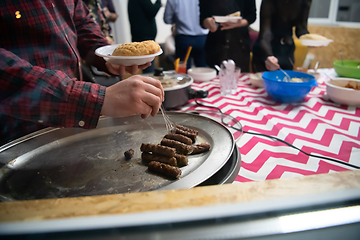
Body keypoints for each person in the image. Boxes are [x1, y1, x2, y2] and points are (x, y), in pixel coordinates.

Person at [0, 0, 164, 146]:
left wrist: (106, 57)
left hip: (73, 125)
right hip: (19, 134)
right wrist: (96, 99)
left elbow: (80, 22)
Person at [252, 0, 312, 72]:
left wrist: (310, 40)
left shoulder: (305, 1)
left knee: (286, 80)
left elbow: (301, 28)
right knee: (265, 81)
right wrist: (269, 55)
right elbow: (265, 33)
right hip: (265, 47)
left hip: (287, 50)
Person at [199, 0, 256, 72]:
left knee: (239, 77)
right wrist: (208, 22)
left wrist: (239, 23)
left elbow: (251, 17)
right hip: (215, 44)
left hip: (240, 44)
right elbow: (202, 20)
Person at [163, 0, 209, 70]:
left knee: (183, 73)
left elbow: (167, 19)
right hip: (203, 38)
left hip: (183, 38)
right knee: (204, 70)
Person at [128, 0, 162, 73]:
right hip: (144, 39)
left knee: (144, 67)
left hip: (139, 36)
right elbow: (152, 11)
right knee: (148, 67)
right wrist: (159, 2)